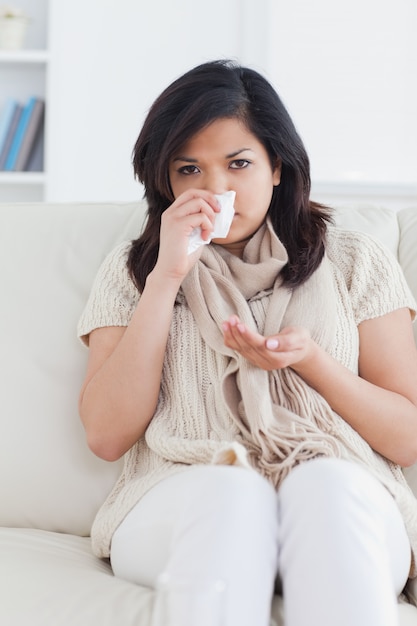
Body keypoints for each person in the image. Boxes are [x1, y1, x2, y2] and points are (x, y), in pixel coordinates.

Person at [77, 59, 417, 626]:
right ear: (165, 180)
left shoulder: (356, 260)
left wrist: (311, 362)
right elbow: (107, 436)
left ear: (277, 166)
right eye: (189, 170)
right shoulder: (133, 271)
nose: (216, 189)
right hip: (183, 491)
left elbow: (406, 440)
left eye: (238, 164)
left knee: (325, 484)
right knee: (232, 494)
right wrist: (166, 278)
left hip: (338, 486)